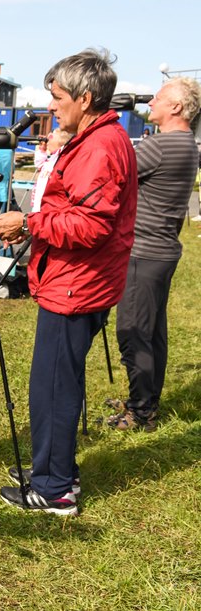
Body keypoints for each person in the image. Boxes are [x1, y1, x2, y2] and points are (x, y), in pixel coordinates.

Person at [0, 48, 137, 515]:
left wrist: (29, 224)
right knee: (54, 380)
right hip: (78, 280)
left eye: (56, 97)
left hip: (78, 284)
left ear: (85, 98)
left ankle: (54, 490)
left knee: (54, 384)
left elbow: (91, 226)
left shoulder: (99, 147)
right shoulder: (94, 138)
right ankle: (51, 467)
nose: (50, 106)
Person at [110, 78, 201, 431]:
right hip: (161, 250)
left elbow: (113, 170)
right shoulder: (186, 144)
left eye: (159, 98)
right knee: (153, 332)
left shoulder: (161, 146)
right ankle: (146, 399)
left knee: (133, 331)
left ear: (176, 107)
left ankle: (141, 412)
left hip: (143, 251)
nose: (151, 102)